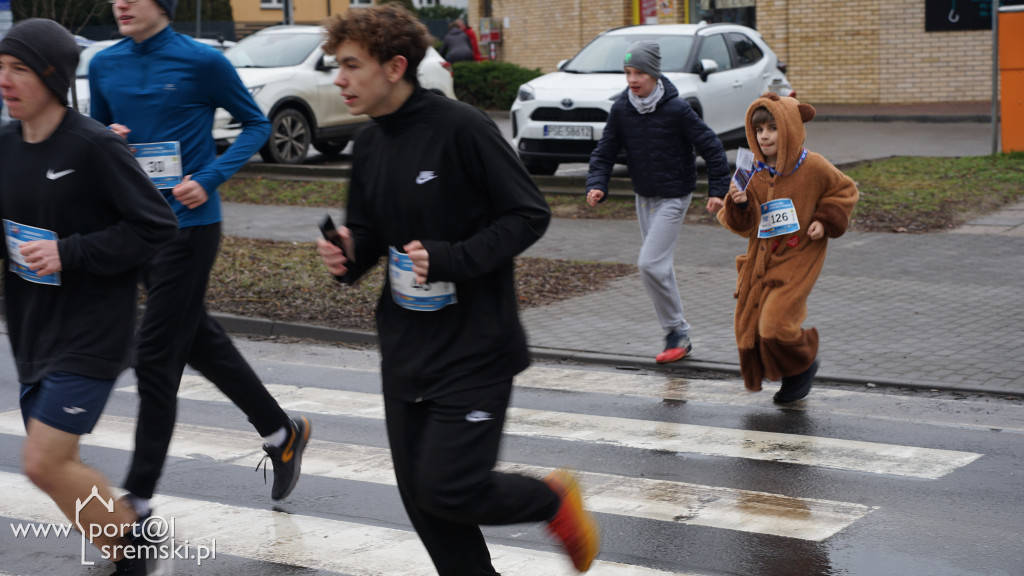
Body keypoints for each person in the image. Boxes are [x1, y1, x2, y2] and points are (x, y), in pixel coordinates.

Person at [316, 4, 599, 574]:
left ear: (395, 67)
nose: (339, 79)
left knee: (449, 488)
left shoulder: (461, 128)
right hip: (406, 345)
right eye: (335, 66)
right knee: (424, 501)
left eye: (350, 65)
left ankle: (552, 500)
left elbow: (528, 214)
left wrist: (451, 258)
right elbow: (371, 233)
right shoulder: (369, 143)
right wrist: (348, 254)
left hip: (475, 343)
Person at [88, 0, 311, 519]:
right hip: (136, 226)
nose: (121, 2)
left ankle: (137, 503)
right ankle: (282, 432)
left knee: (156, 362)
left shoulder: (203, 61)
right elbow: (96, 136)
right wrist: (109, 139)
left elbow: (256, 125)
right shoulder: (103, 63)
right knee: (200, 340)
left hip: (189, 229)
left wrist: (208, 178)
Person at [0, 18, 178, 575]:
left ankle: (140, 554)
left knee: (42, 462)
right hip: (32, 328)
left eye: (19, 69)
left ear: (53, 78)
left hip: (91, 330)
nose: (5, 80)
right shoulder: (3, 146)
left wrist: (70, 252)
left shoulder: (94, 146)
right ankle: (126, 549)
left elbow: (157, 226)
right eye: (1, 68)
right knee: (60, 469)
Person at [586, 40, 730, 364]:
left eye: (639, 72)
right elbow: (604, 153)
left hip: (674, 196)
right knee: (659, 268)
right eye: (627, 72)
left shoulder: (677, 109)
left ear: (653, 73)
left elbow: (713, 148)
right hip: (644, 197)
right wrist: (597, 184)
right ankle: (678, 335)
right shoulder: (622, 109)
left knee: (649, 264)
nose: (632, 79)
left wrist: (717, 191)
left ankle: (676, 330)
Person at [717, 93, 859, 402]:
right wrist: (739, 205)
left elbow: (844, 190)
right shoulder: (749, 170)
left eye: (772, 128)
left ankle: (802, 365)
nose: (764, 136)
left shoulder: (814, 166)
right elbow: (742, 226)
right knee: (756, 326)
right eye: (759, 130)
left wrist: (824, 220)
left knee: (775, 323)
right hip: (762, 259)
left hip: (799, 255)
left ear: (789, 129)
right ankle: (796, 376)